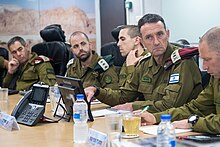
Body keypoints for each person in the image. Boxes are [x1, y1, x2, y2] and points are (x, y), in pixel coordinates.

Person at [85, 13, 203, 112]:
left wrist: (133, 106)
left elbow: (171, 105)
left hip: (181, 125)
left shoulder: (182, 61)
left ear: (167, 34)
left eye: (160, 34)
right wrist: (97, 91)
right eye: (149, 37)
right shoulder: (144, 64)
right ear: (142, 41)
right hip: (154, 124)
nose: (156, 42)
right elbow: (123, 97)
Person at [140, 26, 220, 134]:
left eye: (207, 59)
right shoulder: (216, 78)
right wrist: (156, 118)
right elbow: (195, 108)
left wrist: (193, 122)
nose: (204, 66)